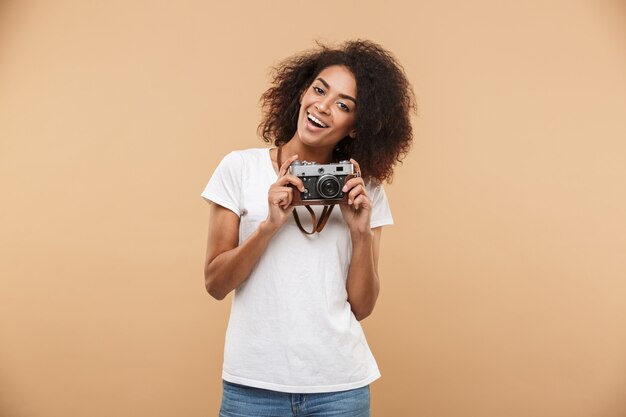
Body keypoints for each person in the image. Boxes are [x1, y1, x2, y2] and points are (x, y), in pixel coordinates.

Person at [201, 39, 415, 417]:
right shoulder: (239, 168)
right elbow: (216, 283)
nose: (323, 107)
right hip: (252, 385)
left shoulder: (364, 190)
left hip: (339, 388)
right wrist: (269, 226)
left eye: (343, 105)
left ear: (355, 127)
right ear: (301, 92)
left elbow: (362, 307)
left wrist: (360, 233)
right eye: (319, 90)